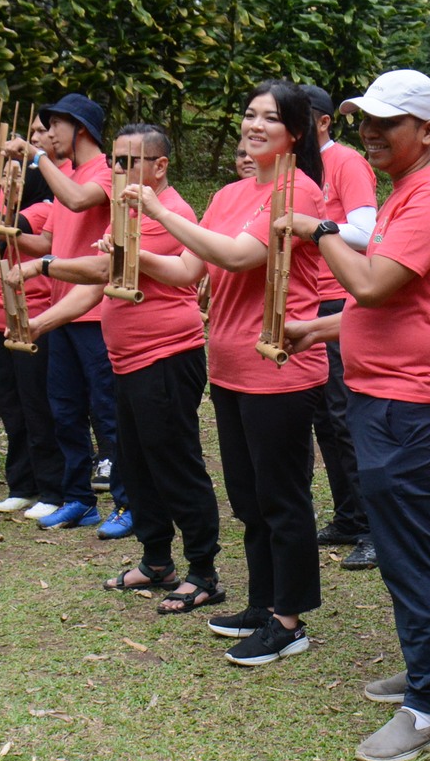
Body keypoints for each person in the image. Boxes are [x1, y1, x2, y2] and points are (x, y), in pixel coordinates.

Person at [285, 69, 430, 761]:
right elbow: (399, 304)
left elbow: (368, 283)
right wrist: (318, 329)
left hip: (405, 402)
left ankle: (424, 707)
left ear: (427, 130)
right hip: (389, 394)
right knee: (417, 541)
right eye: (364, 119)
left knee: (410, 548)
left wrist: (319, 229)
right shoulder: (407, 192)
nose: (370, 132)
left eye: (387, 122)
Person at [138, 84, 329, 651]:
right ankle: (263, 602)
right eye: (249, 114)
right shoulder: (228, 195)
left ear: (296, 132)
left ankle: (289, 622)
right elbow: (187, 271)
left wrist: (156, 210)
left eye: (271, 117)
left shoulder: (299, 191)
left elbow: (240, 256)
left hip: (278, 365)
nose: (255, 125)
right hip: (228, 365)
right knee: (248, 498)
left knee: (282, 498)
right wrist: (131, 254)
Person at [36, 123, 218, 596]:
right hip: (126, 361)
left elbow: (104, 267)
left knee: (175, 465)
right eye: (114, 161)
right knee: (135, 466)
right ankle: (156, 562)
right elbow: (101, 285)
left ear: (160, 166)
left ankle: (203, 572)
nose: (117, 170)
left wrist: (43, 264)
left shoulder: (171, 212)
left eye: (128, 162)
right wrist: (40, 323)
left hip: (166, 357)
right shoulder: (126, 211)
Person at [26, 94, 125, 532]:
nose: (48, 135)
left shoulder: (107, 170)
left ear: (79, 128)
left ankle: (127, 502)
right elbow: (49, 242)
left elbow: (80, 201)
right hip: (61, 311)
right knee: (64, 411)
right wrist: (1, 235)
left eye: (54, 126)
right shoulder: (63, 174)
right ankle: (79, 500)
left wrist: (37, 159)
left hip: (95, 313)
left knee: (107, 412)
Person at [303, 85, 378, 572]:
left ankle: (373, 527)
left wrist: (312, 227)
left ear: (323, 121)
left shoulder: (346, 162)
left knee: (343, 413)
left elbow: (367, 233)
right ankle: (349, 515)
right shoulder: (296, 167)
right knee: (323, 419)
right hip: (305, 297)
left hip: (337, 294)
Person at [0, 113, 63, 518]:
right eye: (5, 175)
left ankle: (51, 488)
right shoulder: (7, 206)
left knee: (37, 406)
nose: (8, 181)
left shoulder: (44, 207)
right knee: (12, 407)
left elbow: (12, 231)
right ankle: (21, 483)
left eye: (16, 175)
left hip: (35, 314)